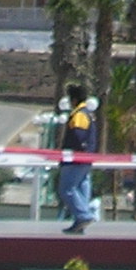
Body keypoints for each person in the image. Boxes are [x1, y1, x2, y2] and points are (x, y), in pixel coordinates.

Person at [57, 83, 97, 233]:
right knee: (81, 190)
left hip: (75, 159)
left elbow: (78, 135)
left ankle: (83, 216)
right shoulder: (88, 113)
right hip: (86, 159)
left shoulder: (79, 114)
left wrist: (71, 153)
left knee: (67, 189)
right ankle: (79, 223)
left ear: (74, 100)